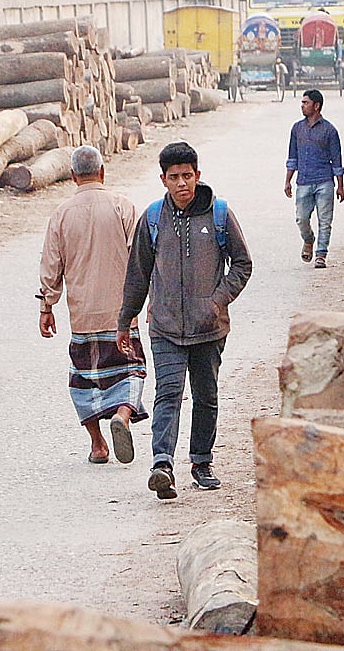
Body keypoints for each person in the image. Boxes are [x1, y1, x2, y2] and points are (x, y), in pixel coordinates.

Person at [117, 142, 253, 499]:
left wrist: (218, 300)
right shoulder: (152, 219)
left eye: (187, 176)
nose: (182, 183)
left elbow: (243, 264)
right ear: (163, 179)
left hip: (209, 327)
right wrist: (125, 320)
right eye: (174, 177)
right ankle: (162, 465)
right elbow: (138, 274)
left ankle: (201, 462)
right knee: (168, 394)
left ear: (197, 175)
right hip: (165, 326)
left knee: (206, 396)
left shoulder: (219, 214)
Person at [39, 145, 146, 465]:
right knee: (130, 371)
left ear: (73, 176)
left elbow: (51, 265)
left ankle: (98, 444)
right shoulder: (123, 207)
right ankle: (122, 415)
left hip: (83, 316)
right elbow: (141, 258)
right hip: (121, 314)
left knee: (84, 381)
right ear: (102, 171)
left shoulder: (61, 215)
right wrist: (150, 299)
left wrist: (47, 306)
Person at [285, 89, 344, 268]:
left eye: (306, 103)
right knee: (301, 219)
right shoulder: (297, 129)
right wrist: (288, 180)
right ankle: (309, 239)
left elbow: (337, 160)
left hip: (324, 181)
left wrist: (340, 186)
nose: (302, 106)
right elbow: (292, 157)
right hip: (303, 181)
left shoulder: (329, 130)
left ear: (316, 106)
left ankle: (321, 254)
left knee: (325, 221)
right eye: (302, 103)